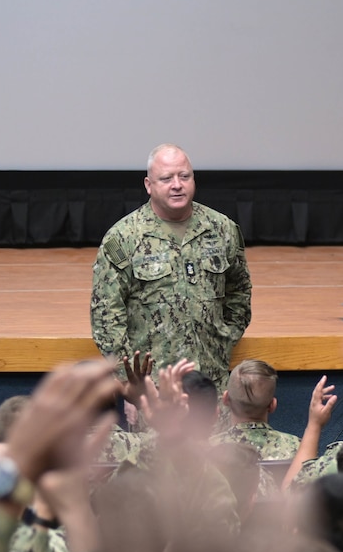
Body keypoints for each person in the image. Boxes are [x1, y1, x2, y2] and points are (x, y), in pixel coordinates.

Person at [90, 143, 252, 388]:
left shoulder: (221, 229)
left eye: (184, 176)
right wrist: (130, 382)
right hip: (154, 389)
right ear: (148, 185)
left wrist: (224, 341)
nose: (177, 184)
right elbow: (106, 316)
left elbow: (239, 290)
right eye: (166, 178)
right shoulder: (124, 237)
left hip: (211, 383)